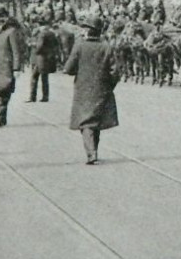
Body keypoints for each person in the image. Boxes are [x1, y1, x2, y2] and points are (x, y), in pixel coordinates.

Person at [63, 15, 120, 165]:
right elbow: (115, 71)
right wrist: (109, 85)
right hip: (102, 89)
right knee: (96, 120)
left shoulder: (79, 45)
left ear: (88, 31)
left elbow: (68, 69)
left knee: (86, 121)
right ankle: (94, 150)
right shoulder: (106, 46)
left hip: (83, 89)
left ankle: (91, 153)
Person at [28, 15, 62, 102]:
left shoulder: (41, 34)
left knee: (34, 77)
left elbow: (39, 46)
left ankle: (32, 97)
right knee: (44, 78)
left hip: (39, 58)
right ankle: (45, 96)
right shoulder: (51, 33)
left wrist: (32, 44)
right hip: (47, 58)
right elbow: (56, 45)